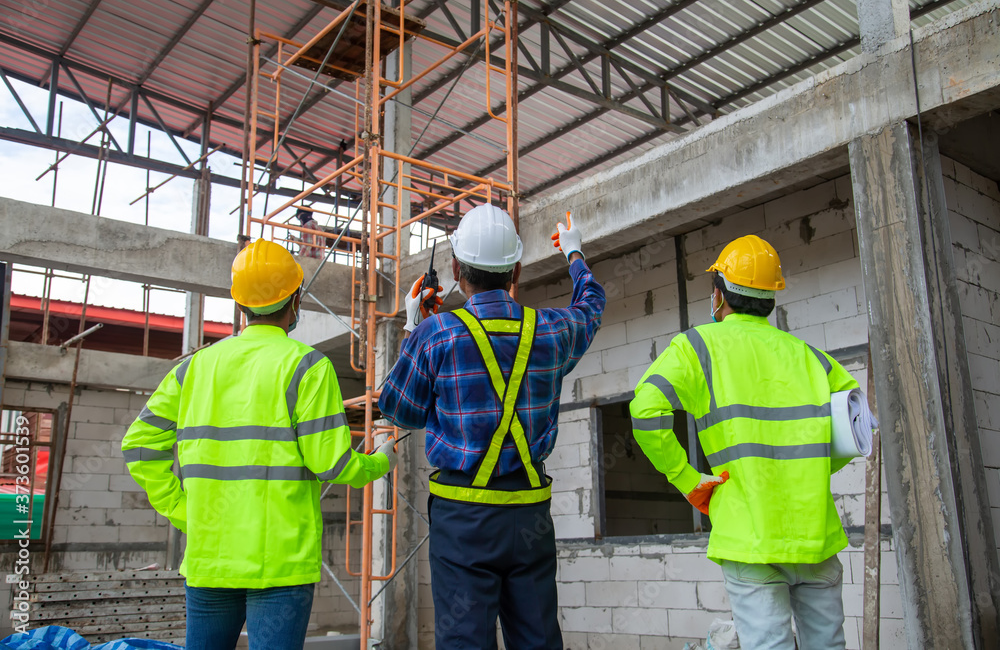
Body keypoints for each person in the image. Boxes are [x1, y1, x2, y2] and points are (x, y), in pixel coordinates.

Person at [121, 239, 397, 650]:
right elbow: (334, 465)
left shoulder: (195, 367)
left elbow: (139, 445)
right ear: (296, 299)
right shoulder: (307, 366)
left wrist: (185, 512)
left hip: (210, 557)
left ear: (240, 305)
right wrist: (379, 462)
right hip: (281, 565)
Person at [379, 205, 605, 649]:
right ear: (515, 269)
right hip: (528, 514)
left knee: (465, 640)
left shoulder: (437, 333)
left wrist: (414, 324)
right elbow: (591, 308)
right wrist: (575, 256)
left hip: (463, 517)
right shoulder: (551, 330)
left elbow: (398, 409)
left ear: (456, 268)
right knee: (537, 639)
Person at [629, 234, 859, 650]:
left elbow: (645, 410)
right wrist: (807, 472)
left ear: (719, 296)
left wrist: (686, 478)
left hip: (750, 539)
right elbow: (857, 426)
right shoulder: (811, 356)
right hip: (816, 537)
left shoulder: (697, 347)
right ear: (772, 297)